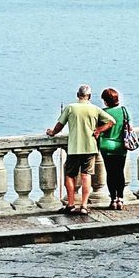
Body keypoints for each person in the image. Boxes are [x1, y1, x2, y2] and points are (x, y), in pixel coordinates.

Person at [45, 84, 114, 214]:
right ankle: (84, 206)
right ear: (90, 96)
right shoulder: (95, 109)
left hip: (74, 148)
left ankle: (70, 204)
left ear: (78, 95)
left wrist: (52, 132)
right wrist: (99, 130)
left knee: (70, 176)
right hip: (90, 147)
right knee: (86, 176)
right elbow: (111, 121)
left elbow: (60, 125)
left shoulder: (70, 108)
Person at [98, 87, 132, 210]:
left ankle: (112, 199)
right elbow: (128, 127)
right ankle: (120, 199)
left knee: (110, 173)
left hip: (106, 146)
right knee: (119, 172)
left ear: (105, 101)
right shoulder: (124, 111)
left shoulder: (102, 113)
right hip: (120, 146)